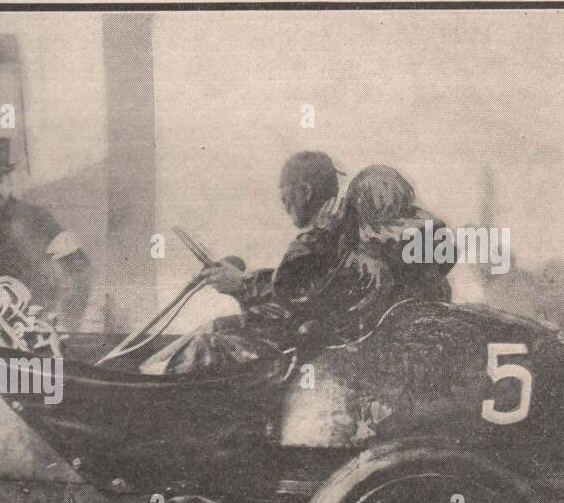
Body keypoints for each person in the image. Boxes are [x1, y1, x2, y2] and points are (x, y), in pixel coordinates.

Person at [144, 155, 452, 375]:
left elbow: (298, 292)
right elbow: (322, 286)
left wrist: (243, 284)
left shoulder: (369, 256)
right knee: (217, 329)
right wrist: (246, 283)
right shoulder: (410, 248)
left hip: (341, 362)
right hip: (350, 350)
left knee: (206, 344)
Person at [0, 141, 92, 327]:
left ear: (9, 183)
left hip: (31, 327)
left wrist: (63, 322)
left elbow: (78, 270)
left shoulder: (38, 218)